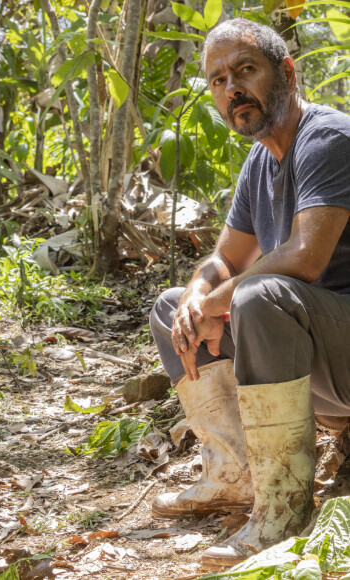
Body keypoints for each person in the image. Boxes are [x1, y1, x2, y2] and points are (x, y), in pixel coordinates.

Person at [149, 18, 350, 568]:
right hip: (320, 364)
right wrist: (197, 298)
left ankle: (284, 510)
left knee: (258, 296)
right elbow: (222, 258)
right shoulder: (259, 160)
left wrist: (221, 302)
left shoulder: (328, 138)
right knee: (172, 309)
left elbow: (306, 257)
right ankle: (236, 473)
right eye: (217, 80)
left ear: (284, 71)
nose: (231, 88)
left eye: (245, 70)